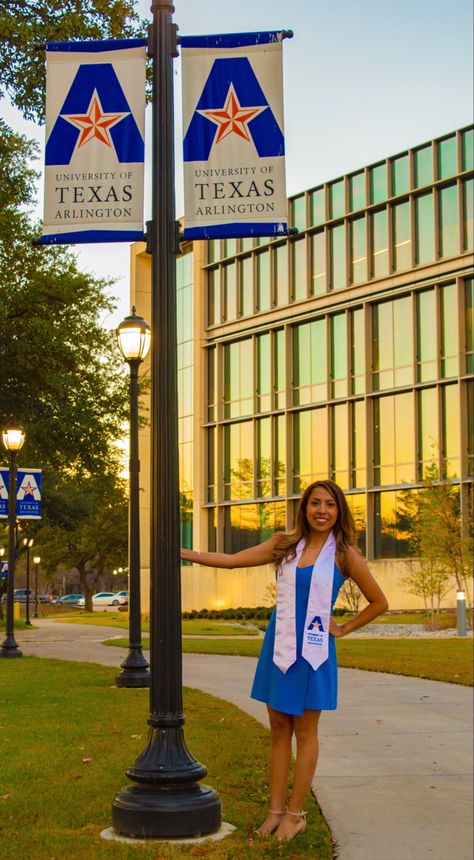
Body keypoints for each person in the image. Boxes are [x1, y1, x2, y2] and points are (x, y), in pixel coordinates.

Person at [181, 479, 388, 841]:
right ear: (304, 508)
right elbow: (232, 561)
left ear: (339, 511)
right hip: (278, 646)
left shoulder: (344, 554)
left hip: (312, 651)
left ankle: (295, 815)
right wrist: (184, 553)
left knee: (306, 732)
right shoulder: (285, 544)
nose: (322, 510)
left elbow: (379, 602)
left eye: (330, 505)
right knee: (278, 728)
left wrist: (344, 628)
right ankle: (275, 812)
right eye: (315, 503)